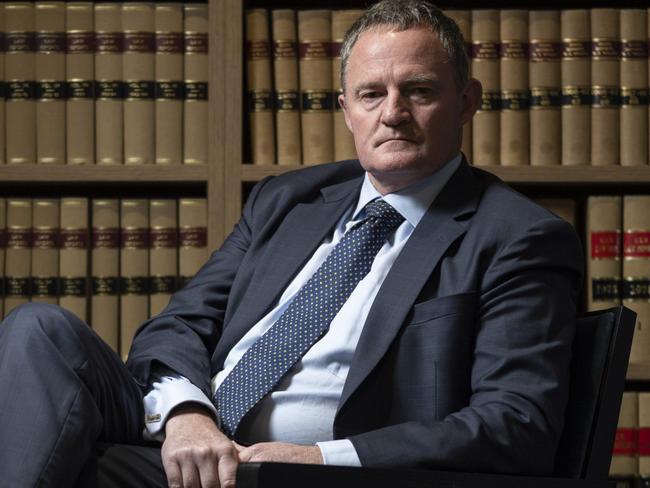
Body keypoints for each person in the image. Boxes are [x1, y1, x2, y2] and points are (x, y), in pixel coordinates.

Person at [0, 1, 584, 487]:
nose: (393, 114)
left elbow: (516, 424)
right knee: (37, 330)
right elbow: (177, 328)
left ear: (468, 101)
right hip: (187, 444)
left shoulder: (518, 236)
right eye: (370, 94)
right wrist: (187, 415)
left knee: (66, 460)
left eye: (420, 91)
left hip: (296, 473)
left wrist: (317, 458)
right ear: (346, 111)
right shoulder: (289, 199)